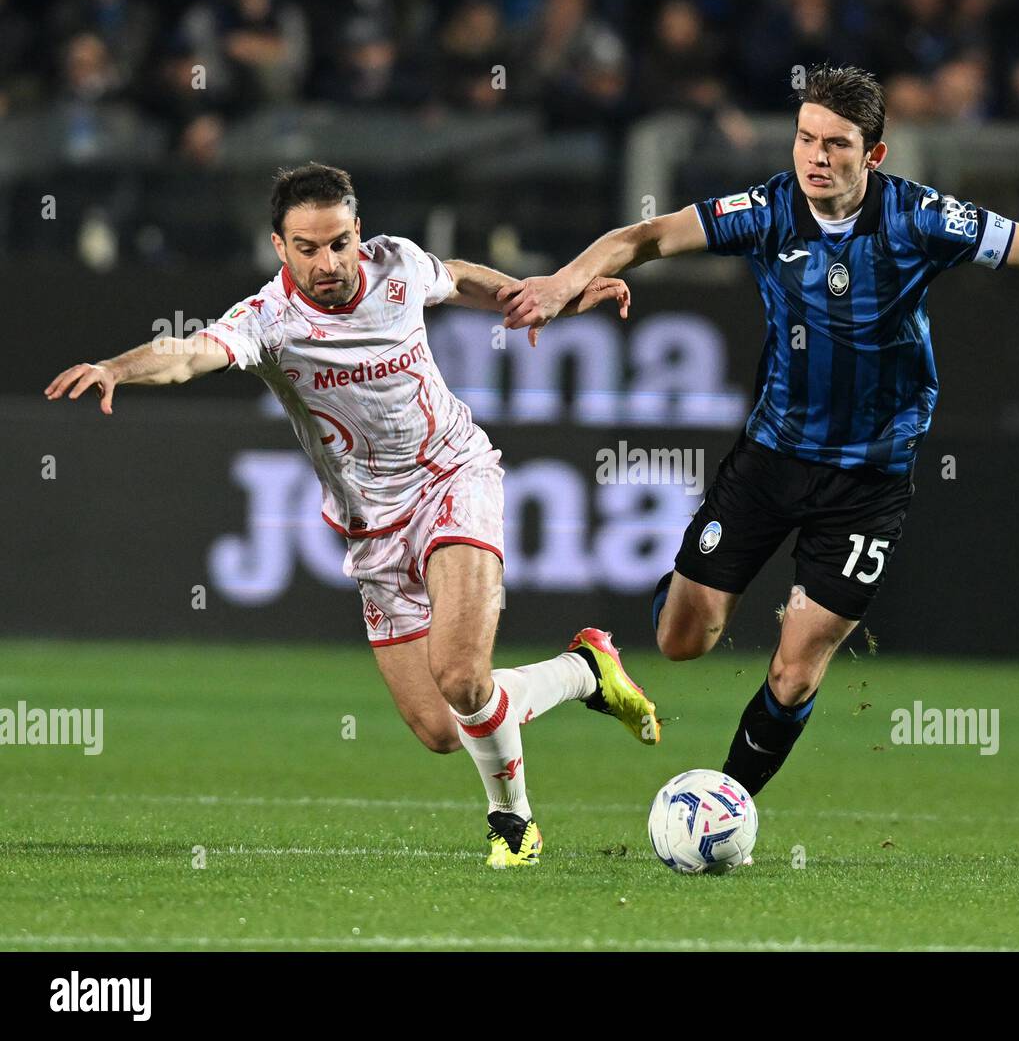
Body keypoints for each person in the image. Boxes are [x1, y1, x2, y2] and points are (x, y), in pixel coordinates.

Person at [499, 64, 1019, 800]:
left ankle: (725, 804)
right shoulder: (765, 211)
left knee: (797, 665)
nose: (815, 158)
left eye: (836, 145)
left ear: (875, 155)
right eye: (805, 139)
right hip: (771, 457)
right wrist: (563, 283)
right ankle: (604, 659)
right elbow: (646, 235)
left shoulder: (920, 217)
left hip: (870, 480)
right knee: (681, 641)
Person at [45, 162, 661, 868]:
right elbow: (192, 356)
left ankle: (514, 826)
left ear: (357, 233)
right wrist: (120, 368)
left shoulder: (397, 265)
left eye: (338, 242)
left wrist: (539, 298)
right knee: (440, 726)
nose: (327, 261)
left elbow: (456, 278)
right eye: (306, 247)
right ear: (279, 247)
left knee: (463, 676)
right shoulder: (269, 320)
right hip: (371, 523)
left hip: (454, 477)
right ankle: (586, 669)